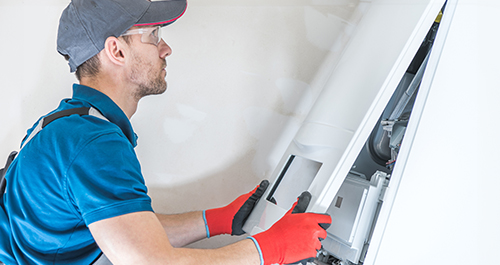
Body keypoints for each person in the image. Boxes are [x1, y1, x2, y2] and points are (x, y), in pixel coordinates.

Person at [0, 0, 331, 264]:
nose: (166, 48)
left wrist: (215, 220)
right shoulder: (93, 143)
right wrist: (268, 250)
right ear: (116, 51)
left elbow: (127, 231)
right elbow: (151, 261)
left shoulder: (63, 122)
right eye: (154, 36)